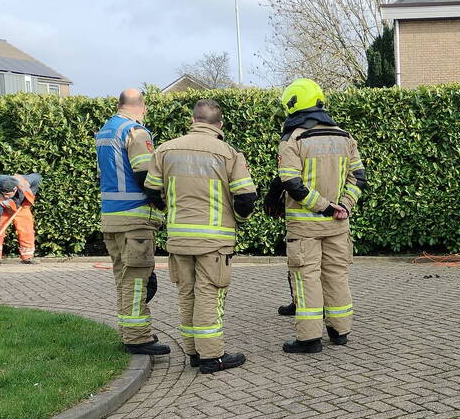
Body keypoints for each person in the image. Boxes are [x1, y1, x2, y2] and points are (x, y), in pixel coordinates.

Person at [143, 99, 257, 373]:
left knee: (187, 294)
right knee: (209, 294)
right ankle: (212, 357)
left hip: (179, 239)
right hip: (214, 241)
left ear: (193, 120)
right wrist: (238, 219)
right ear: (219, 125)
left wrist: (171, 209)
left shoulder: (165, 150)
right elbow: (246, 197)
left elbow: (150, 191)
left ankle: (194, 351)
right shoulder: (228, 153)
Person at [266, 78, 365, 353]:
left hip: (304, 227)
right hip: (338, 226)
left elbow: (291, 183)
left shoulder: (294, 139)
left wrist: (323, 206)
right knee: (336, 275)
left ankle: (309, 339)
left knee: (306, 277)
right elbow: (358, 177)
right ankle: (340, 331)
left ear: (292, 105)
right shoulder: (345, 136)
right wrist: (343, 205)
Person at [96, 88, 169, 355]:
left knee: (124, 278)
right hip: (135, 218)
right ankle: (137, 338)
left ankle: (131, 332)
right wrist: (162, 202)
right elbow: (145, 174)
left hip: (111, 218)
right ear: (143, 107)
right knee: (137, 279)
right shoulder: (135, 132)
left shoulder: (106, 130)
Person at [0, 174, 41, 266]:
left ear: (15, 189)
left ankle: (27, 257)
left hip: (21, 207)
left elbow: (37, 178)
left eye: (8, 194)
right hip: (4, 209)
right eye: (4, 194)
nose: (6, 197)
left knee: (26, 230)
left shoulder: (24, 182)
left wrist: (30, 196)